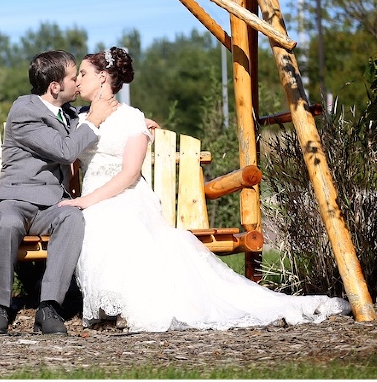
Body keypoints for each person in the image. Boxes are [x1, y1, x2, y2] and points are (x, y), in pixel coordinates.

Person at [60, 46, 351, 332]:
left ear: (102, 77)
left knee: (113, 220)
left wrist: (87, 200)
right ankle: (113, 304)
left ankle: (130, 305)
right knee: (95, 221)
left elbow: (130, 173)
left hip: (124, 195)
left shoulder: (130, 117)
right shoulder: (79, 118)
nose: (77, 80)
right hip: (93, 198)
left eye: (83, 74)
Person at [0, 50, 118, 335]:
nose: (78, 82)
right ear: (55, 87)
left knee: (73, 218)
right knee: (7, 224)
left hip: (52, 204)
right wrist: (93, 121)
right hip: (14, 200)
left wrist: (137, 121)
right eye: (72, 77)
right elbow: (65, 150)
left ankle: (49, 306)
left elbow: (91, 119)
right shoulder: (24, 111)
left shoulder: (68, 113)